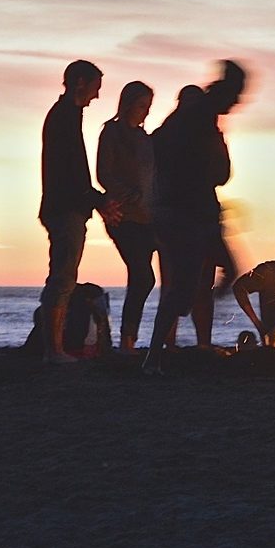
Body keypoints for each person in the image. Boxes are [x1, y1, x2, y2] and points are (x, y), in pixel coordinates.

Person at [144, 60, 246, 375]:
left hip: (191, 212)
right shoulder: (199, 118)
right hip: (188, 213)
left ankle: (161, 347)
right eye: (237, 95)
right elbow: (219, 172)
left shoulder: (192, 121)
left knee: (223, 273)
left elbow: (217, 172)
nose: (239, 103)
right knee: (188, 287)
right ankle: (154, 355)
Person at [38, 60, 122, 364]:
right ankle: (54, 350)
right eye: (95, 88)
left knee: (64, 276)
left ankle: (55, 348)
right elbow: (70, 173)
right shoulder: (63, 118)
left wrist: (95, 201)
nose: (97, 96)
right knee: (62, 277)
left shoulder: (67, 116)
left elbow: (74, 173)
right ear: (80, 83)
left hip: (67, 205)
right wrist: (96, 201)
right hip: (65, 208)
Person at [97, 81, 156, 351]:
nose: (145, 112)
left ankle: (129, 341)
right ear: (129, 103)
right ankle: (126, 340)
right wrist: (128, 194)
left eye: (148, 107)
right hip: (122, 215)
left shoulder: (145, 139)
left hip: (147, 216)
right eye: (142, 105)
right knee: (143, 276)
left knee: (141, 277)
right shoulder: (112, 133)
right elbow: (103, 174)